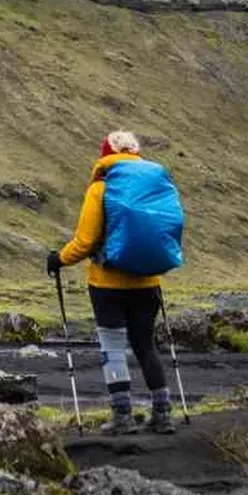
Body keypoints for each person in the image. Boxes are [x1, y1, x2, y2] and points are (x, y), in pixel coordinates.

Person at [46, 131, 175, 435]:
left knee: (112, 348)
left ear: (105, 154)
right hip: (148, 282)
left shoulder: (101, 188)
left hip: (108, 284)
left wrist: (59, 259)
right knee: (146, 345)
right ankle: (163, 413)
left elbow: (86, 241)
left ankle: (122, 416)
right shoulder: (154, 185)